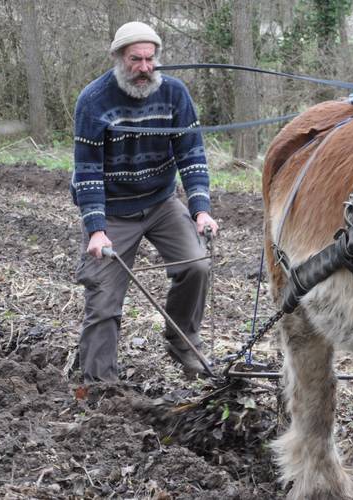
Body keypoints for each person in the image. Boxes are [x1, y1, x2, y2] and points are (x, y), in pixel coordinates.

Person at [71, 21, 219, 383]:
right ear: (119, 59)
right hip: (114, 209)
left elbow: (192, 155)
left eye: (150, 59)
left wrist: (200, 211)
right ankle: (98, 384)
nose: (144, 68)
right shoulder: (93, 101)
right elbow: (86, 171)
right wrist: (97, 231)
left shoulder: (174, 94)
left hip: (161, 201)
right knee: (104, 298)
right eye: (135, 60)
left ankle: (182, 339)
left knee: (197, 265)